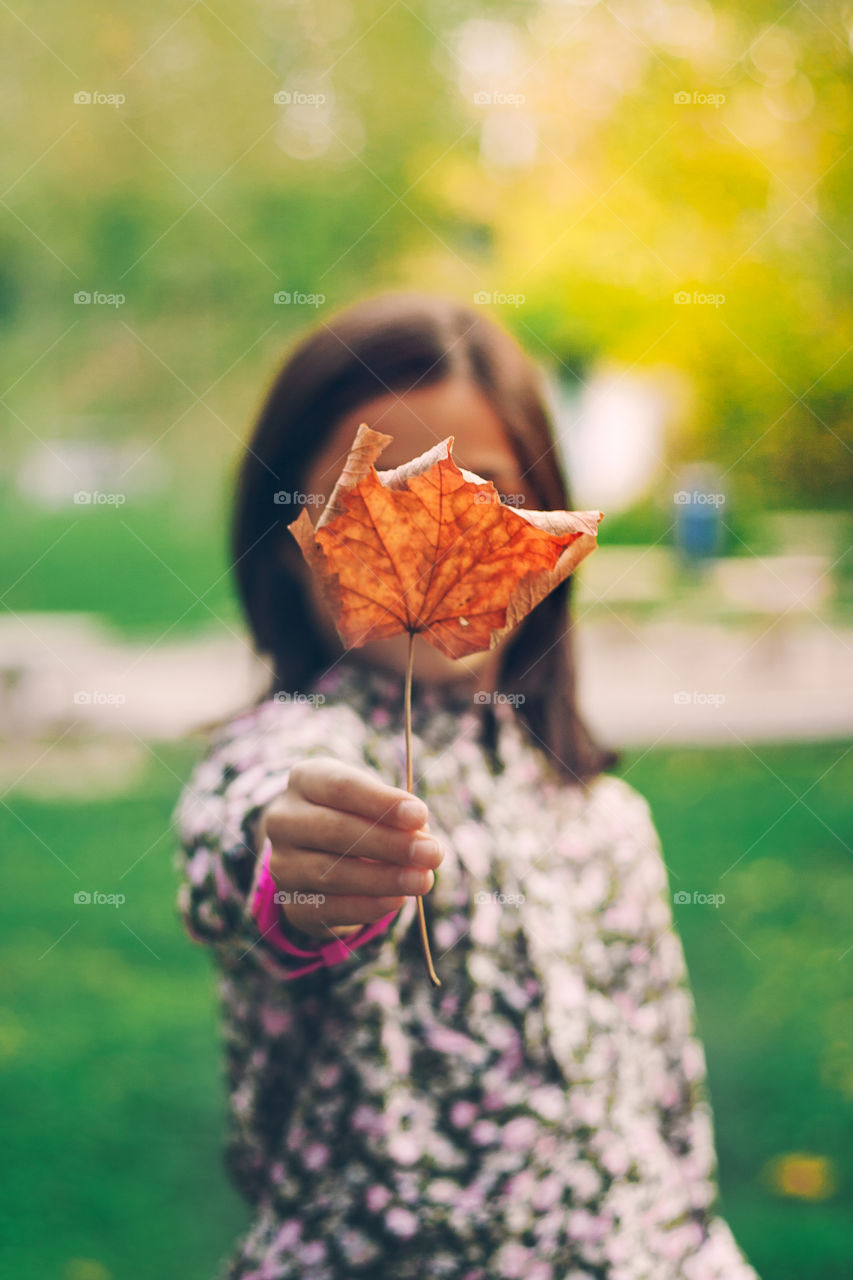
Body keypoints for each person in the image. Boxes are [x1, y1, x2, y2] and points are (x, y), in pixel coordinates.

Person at [173, 293, 760, 1280]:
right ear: (289, 536)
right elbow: (249, 834)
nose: (428, 529)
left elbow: (668, 1113)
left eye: (475, 484)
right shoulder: (311, 751)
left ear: (535, 517)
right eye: (367, 495)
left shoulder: (603, 814)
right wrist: (302, 878)